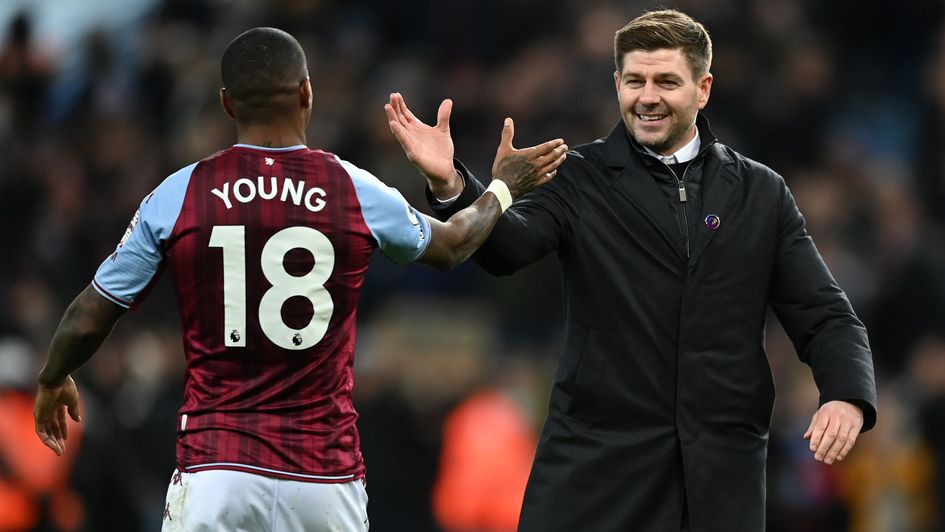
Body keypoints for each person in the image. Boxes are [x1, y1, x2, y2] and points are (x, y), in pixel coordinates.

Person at [32, 27, 567, 532]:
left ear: (225, 103)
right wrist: (500, 189)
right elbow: (452, 244)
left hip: (217, 472)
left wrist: (54, 377)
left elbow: (91, 313)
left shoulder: (180, 194)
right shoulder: (351, 188)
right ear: (307, 94)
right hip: (324, 479)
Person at [386, 9, 877, 531]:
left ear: (703, 88)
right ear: (617, 84)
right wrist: (453, 188)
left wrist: (845, 394)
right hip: (598, 478)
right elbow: (507, 248)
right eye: (635, 81)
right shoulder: (578, 176)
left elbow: (824, 314)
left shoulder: (760, 192)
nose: (648, 97)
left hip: (717, 484)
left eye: (667, 81)